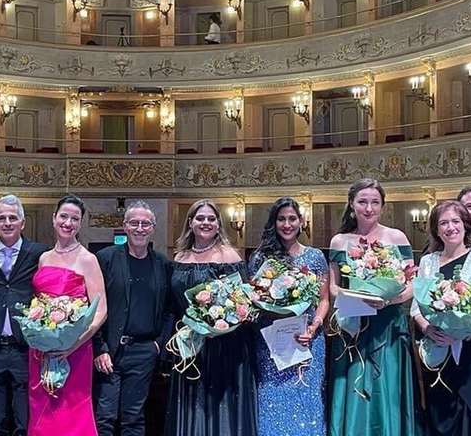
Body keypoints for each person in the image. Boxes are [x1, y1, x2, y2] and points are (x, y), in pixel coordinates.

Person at [328, 178, 417, 436]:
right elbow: (333, 288)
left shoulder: (396, 236)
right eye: (363, 202)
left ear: (382, 205)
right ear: (352, 205)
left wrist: (387, 299)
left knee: (387, 385)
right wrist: (356, 297)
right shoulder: (339, 241)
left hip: (388, 323)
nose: (369, 208)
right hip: (354, 322)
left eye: (375, 202)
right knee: (355, 383)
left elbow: (410, 283)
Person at [165, 199, 259, 436]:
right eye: (200, 218)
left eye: (211, 218)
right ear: (190, 222)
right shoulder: (179, 257)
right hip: (189, 344)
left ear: (218, 224)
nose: (205, 223)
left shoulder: (228, 255)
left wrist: (217, 326)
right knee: (190, 403)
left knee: (220, 407)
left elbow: (242, 302)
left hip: (223, 345)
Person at [412, 200, 471, 436]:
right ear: (436, 229)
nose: (450, 227)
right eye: (443, 223)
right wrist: (429, 329)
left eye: (455, 221)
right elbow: (415, 308)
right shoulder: (428, 261)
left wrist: (463, 332)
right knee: (439, 414)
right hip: (437, 351)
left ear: (465, 225)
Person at [249, 197, 329, 436]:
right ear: (273, 223)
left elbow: (324, 300)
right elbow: (254, 298)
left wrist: (314, 327)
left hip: (307, 339)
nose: (287, 224)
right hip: (271, 343)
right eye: (281, 219)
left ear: (301, 222)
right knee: (272, 400)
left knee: (308, 398)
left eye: (292, 218)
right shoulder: (260, 258)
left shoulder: (315, 257)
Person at [28, 195, 107, 436]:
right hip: (40, 351)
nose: (68, 222)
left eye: (75, 218)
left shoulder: (88, 259)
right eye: (64, 216)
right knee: (41, 409)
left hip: (75, 351)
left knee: (70, 411)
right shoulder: (44, 258)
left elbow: (100, 310)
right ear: (54, 219)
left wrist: (72, 346)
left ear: (80, 224)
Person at [93, 200, 172, 436]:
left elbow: (170, 310)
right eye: (134, 223)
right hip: (110, 351)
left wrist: (159, 344)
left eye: (145, 223)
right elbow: (94, 305)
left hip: (144, 352)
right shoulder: (105, 258)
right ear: (125, 226)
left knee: (134, 418)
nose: (140, 228)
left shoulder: (162, 264)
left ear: (153, 228)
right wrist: (99, 347)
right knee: (104, 417)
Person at [0, 194, 47, 436]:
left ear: (22, 223)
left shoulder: (39, 253)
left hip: (24, 347)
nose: (7, 223)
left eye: (13, 218)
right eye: (1, 218)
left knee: (24, 418)